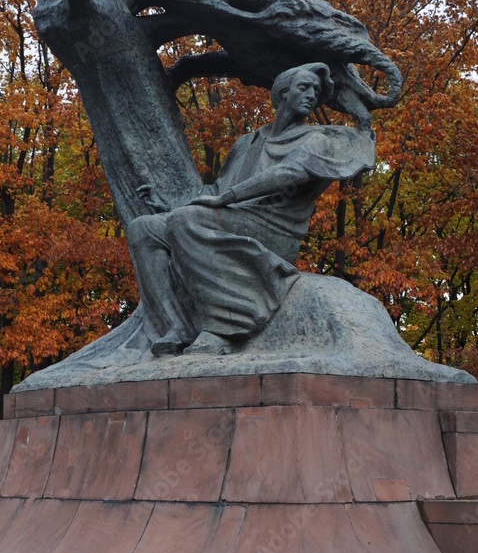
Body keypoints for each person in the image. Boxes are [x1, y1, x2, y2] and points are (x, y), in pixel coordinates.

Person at [126, 62, 375, 356]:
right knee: (143, 228)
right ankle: (176, 327)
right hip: (234, 217)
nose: (311, 95)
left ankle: (221, 327)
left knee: (184, 220)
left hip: (273, 227)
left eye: (316, 91)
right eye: (304, 87)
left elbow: (290, 174)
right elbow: (215, 192)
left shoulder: (314, 140)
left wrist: (227, 198)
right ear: (283, 92)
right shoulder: (247, 143)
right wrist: (168, 206)